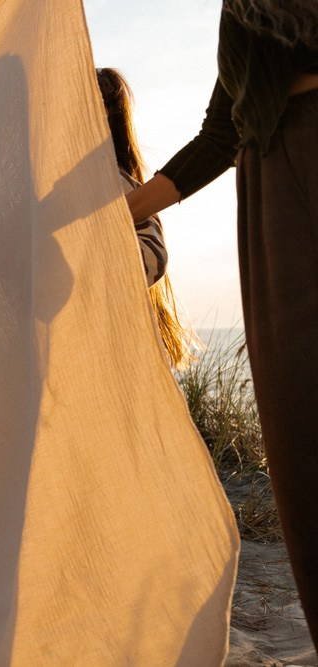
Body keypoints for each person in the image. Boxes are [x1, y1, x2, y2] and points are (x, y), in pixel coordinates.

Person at [124, 0, 318, 647]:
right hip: (274, 191)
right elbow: (219, 135)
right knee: (298, 423)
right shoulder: (244, 9)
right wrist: (110, 215)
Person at [96, 67, 195, 367]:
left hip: (106, 348)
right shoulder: (49, 187)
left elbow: (153, 257)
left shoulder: (109, 181)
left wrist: (84, 258)